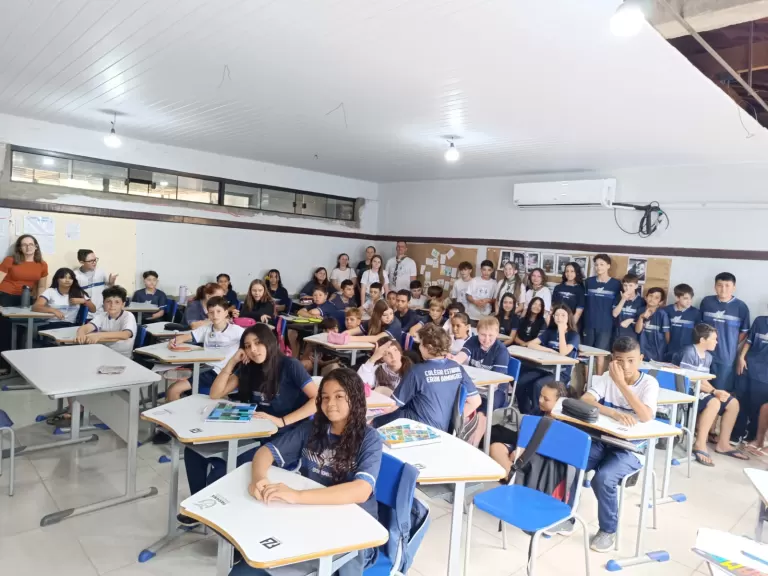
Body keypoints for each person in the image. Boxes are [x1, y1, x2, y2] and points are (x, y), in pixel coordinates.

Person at [232, 368, 381, 576]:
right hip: (311, 516)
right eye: (325, 397)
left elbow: (361, 490)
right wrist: (258, 479)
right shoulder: (312, 429)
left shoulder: (369, 438)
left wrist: (297, 495)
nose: (330, 404)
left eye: (339, 396)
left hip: (352, 532)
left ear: (354, 398)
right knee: (247, 567)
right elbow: (265, 452)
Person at [181, 324, 318, 506]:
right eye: (247, 346)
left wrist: (282, 421)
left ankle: (210, 509)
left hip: (286, 436)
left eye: (258, 343)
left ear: (269, 342)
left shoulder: (289, 365)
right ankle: (198, 507)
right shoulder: (249, 367)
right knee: (193, 452)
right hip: (255, 432)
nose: (253, 350)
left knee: (222, 469)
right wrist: (232, 362)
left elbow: (318, 400)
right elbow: (215, 393)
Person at [580, 337, 659, 552]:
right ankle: (564, 515)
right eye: (619, 360)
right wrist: (613, 412)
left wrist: (622, 385)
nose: (625, 366)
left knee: (603, 478)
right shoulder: (607, 377)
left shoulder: (649, 384)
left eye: (631, 360)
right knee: (572, 461)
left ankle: (608, 530)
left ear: (641, 360)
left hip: (632, 447)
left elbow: (644, 416)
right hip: (605, 438)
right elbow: (586, 400)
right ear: (612, 360)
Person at [372, 324, 481, 431]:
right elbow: (475, 401)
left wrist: (369, 414)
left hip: (416, 426)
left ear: (428, 347)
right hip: (443, 429)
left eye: (420, 344)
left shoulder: (417, 371)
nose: (419, 347)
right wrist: (452, 423)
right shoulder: (457, 367)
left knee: (373, 420)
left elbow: (392, 406)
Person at [676, 324, 746, 465]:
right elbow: (688, 380)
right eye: (714, 339)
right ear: (702, 340)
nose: (716, 342)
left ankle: (723, 444)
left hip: (702, 391)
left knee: (733, 403)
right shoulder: (689, 352)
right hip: (688, 392)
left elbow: (704, 380)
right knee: (714, 402)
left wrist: (717, 391)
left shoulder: (708, 356)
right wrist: (714, 392)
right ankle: (700, 444)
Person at [164, 295, 244, 402]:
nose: (215, 315)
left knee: (173, 390)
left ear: (226, 312)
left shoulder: (237, 331)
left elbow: (253, 340)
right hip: (204, 368)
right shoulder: (206, 329)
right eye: (211, 312)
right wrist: (174, 341)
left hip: (218, 373)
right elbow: (186, 337)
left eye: (219, 311)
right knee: (172, 389)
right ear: (208, 314)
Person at [490, 380, 568, 477]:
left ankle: (513, 478)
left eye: (546, 399)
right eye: (540, 396)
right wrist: (519, 449)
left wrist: (523, 452)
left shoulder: (563, 423)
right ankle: (513, 478)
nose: (540, 400)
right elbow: (525, 433)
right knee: (496, 448)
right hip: (524, 445)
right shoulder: (538, 410)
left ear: (559, 403)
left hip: (539, 454)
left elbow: (550, 447)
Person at [515, 304, 580, 414]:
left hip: (561, 372)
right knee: (520, 381)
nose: (559, 318)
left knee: (539, 385)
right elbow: (531, 344)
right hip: (544, 369)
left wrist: (561, 330)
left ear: (569, 317)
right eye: (557, 315)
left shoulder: (574, 335)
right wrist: (549, 350)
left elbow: (563, 352)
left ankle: (538, 415)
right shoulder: (550, 332)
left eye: (563, 315)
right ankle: (526, 412)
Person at [0, 234, 49, 371]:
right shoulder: (10, 260)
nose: (28, 247)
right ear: (20, 248)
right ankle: (4, 365)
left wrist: (40, 303)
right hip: (6, 296)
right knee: (6, 329)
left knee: (24, 329)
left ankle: (20, 364)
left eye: (31, 244)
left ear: (36, 246)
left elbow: (41, 287)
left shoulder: (42, 264)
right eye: (24, 244)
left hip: (27, 298)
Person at [700, 272, 750, 393]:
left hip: (726, 355)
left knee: (720, 389)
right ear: (715, 286)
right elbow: (700, 327)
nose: (723, 289)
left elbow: (744, 332)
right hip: (703, 354)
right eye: (720, 285)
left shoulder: (741, 307)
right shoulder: (707, 302)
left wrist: (731, 343)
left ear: (734, 287)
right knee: (701, 387)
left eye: (727, 285)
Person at [454, 316, 509, 421]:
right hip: (475, 386)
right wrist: (454, 360)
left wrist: (473, 385)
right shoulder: (473, 341)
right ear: (477, 332)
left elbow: (496, 381)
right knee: (458, 404)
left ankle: (476, 437)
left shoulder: (501, 351)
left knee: (482, 413)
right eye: (483, 335)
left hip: (495, 391)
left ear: (497, 334)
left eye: (491, 335)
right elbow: (461, 356)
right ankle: (461, 432)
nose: (486, 339)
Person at [584, 254, 622, 375]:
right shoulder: (588, 282)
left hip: (606, 325)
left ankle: (598, 381)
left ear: (608, 266)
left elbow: (617, 306)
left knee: (600, 355)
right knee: (586, 355)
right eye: (596, 264)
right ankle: (586, 383)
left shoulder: (616, 284)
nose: (598, 267)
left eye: (602, 264)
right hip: (589, 324)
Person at [74, 285, 137, 357]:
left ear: (123, 304)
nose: (112, 305)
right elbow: (86, 327)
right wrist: (81, 334)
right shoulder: (102, 316)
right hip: (102, 354)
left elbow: (125, 334)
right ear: (103, 303)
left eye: (117, 302)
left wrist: (99, 335)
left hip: (121, 356)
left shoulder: (128, 316)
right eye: (108, 301)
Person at [739, 312, 768, 451]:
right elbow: (749, 341)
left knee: (760, 407)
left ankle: (754, 438)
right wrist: (741, 357)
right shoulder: (760, 321)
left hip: (765, 375)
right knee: (745, 401)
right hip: (750, 366)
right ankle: (742, 435)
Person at [664, 283, 701, 362]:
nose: (689, 301)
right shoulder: (666, 310)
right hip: (668, 351)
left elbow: (698, 334)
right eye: (685, 298)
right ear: (677, 298)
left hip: (686, 353)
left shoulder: (695, 313)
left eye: (690, 298)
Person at [635, 287, 670, 362]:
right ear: (645, 297)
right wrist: (641, 317)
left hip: (657, 351)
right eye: (650, 296)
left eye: (656, 298)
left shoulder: (662, 314)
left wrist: (663, 349)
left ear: (660, 302)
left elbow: (667, 335)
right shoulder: (640, 310)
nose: (652, 299)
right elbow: (637, 331)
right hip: (642, 349)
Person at [611, 273, 644, 341]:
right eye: (625, 285)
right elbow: (615, 314)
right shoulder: (618, 298)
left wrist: (631, 320)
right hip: (617, 334)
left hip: (632, 335)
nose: (627, 288)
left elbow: (642, 318)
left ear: (636, 286)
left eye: (630, 285)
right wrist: (623, 299)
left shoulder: (641, 301)